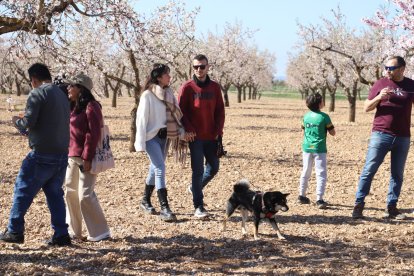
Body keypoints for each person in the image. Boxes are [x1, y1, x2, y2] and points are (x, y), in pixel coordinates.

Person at [0, 63, 71, 246]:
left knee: (22, 190)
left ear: (33, 79)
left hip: (41, 155)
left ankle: (15, 230)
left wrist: (17, 121)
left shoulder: (37, 92)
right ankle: (61, 234)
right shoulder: (62, 94)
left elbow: (29, 122)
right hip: (62, 154)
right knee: (55, 195)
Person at [352, 56, 414, 220]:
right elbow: (366, 107)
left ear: (402, 69)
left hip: (403, 137)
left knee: (397, 174)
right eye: (386, 67)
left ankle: (391, 207)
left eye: (391, 68)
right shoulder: (380, 84)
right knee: (369, 170)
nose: (387, 70)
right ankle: (358, 205)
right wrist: (379, 97)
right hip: (380, 135)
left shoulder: (411, 85)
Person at [135, 63, 186, 222]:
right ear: (158, 77)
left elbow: (176, 117)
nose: (169, 77)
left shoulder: (169, 93)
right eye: (167, 74)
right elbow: (141, 120)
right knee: (160, 167)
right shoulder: (148, 95)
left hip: (165, 137)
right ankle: (165, 207)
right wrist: (140, 143)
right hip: (151, 137)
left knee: (154, 167)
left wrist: (181, 132)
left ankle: (145, 200)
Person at [64, 73, 111, 241]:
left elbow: (94, 133)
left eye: (72, 85)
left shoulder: (92, 106)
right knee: (70, 192)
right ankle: (73, 231)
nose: (68, 88)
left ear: (81, 88)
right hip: (71, 156)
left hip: (85, 158)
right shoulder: (72, 106)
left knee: (85, 195)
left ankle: (101, 232)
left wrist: (87, 157)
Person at [178, 54, 225, 218]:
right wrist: (188, 129)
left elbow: (220, 111)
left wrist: (219, 131)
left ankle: (194, 187)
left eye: (202, 66)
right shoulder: (187, 87)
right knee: (197, 171)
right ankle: (198, 206)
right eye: (196, 67)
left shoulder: (215, 87)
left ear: (208, 67)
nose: (199, 69)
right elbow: (180, 112)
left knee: (213, 168)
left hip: (212, 136)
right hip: (195, 137)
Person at [297, 92, 336, 209]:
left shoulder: (305, 116)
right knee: (321, 173)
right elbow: (332, 132)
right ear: (320, 104)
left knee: (306, 171)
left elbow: (303, 131)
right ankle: (319, 199)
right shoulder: (324, 117)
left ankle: (301, 195)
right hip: (320, 149)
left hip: (307, 147)